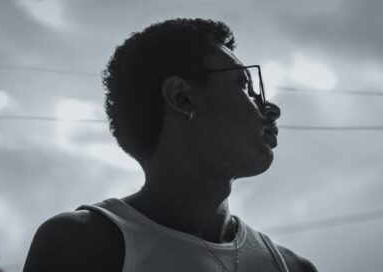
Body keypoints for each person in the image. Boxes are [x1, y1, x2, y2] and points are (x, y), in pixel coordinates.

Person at [23, 18, 318, 272]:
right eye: (244, 86)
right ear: (182, 97)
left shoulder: (291, 267)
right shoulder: (83, 245)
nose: (271, 109)